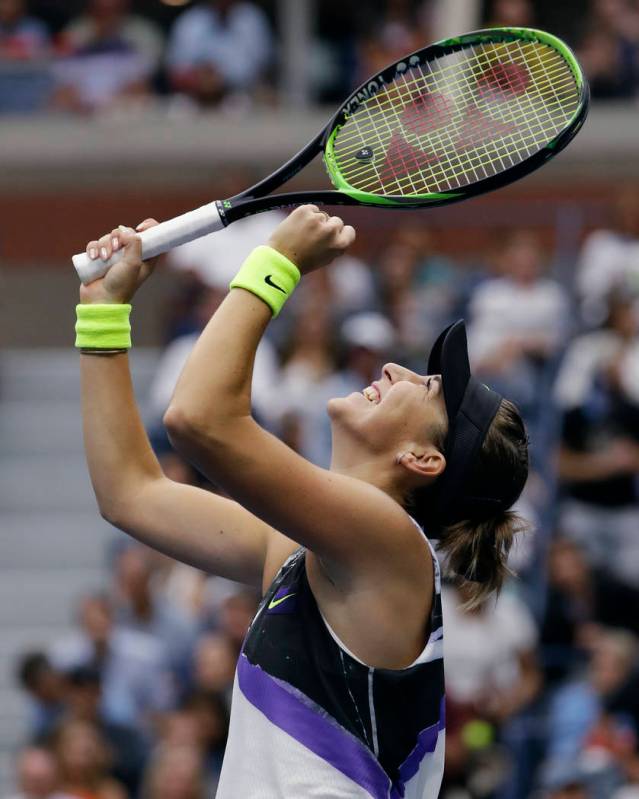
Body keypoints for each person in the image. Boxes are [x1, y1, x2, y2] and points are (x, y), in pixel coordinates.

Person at [76, 206, 529, 797]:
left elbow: (198, 418)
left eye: (428, 387)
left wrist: (278, 262)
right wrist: (103, 314)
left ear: (424, 459)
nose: (396, 368)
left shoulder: (391, 544)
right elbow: (132, 494)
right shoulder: (310, 552)